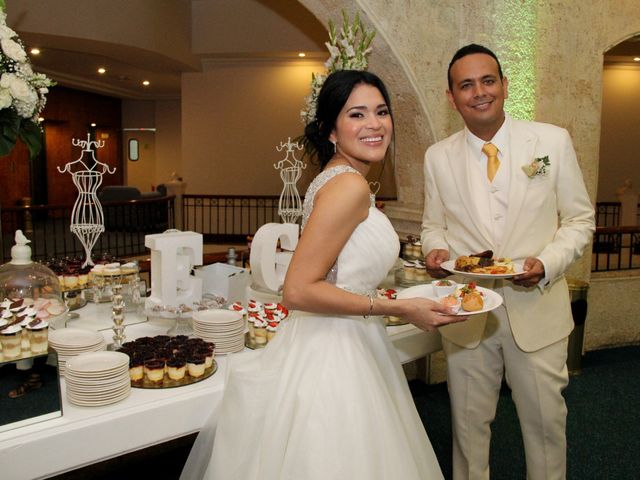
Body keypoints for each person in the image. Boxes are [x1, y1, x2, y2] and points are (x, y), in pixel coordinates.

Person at [180, 69, 466, 480]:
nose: (374, 124)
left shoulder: (334, 178)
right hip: (337, 349)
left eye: (381, 112)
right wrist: (400, 308)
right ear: (331, 130)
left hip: (340, 337)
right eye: (357, 115)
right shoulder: (348, 186)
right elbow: (297, 290)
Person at [421, 44, 595, 480]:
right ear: (451, 97)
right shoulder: (437, 157)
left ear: (503, 85)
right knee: (467, 429)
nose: (479, 92)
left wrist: (547, 261)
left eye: (488, 80)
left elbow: (579, 219)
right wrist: (434, 252)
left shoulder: (551, 141)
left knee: (544, 427)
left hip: (535, 307)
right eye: (466, 85)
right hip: (468, 312)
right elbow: (432, 227)